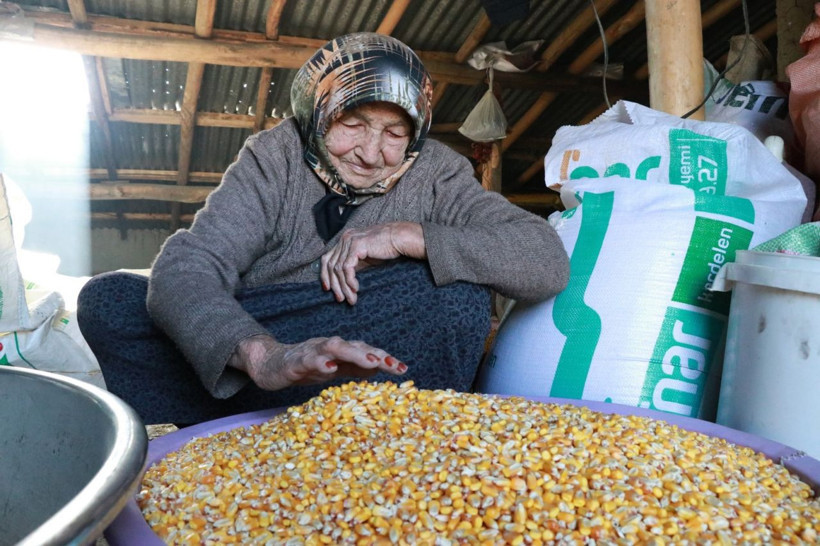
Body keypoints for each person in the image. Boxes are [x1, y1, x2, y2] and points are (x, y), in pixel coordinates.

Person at [77, 33, 569, 425]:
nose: (372, 152)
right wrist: (264, 356)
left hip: (372, 340)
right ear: (317, 111)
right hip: (270, 338)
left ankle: (386, 428)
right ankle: (263, 410)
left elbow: (545, 260)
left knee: (456, 292)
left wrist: (409, 236)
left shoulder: (437, 171)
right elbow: (192, 264)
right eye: (353, 124)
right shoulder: (276, 156)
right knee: (110, 300)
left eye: (395, 133)